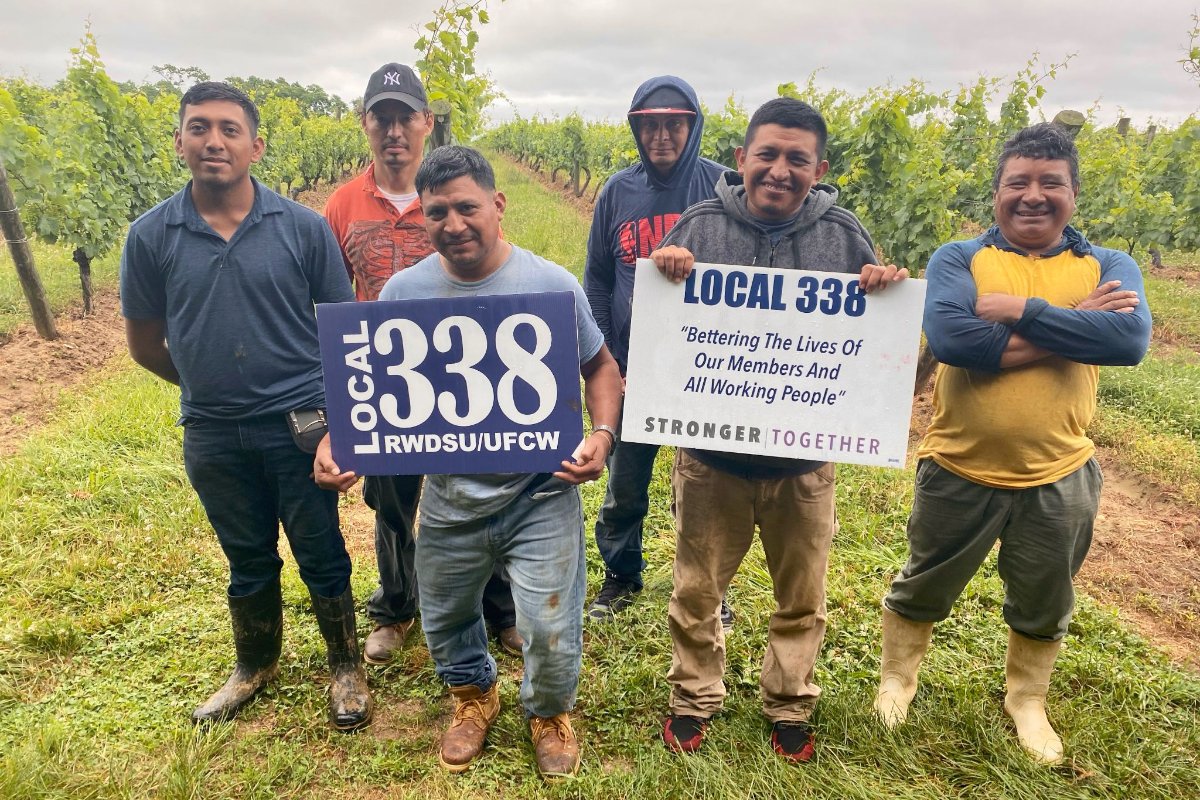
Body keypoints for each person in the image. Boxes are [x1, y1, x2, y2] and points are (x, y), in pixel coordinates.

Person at [315, 146, 623, 778]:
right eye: (437, 213)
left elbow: (600, 367)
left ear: (498, 205)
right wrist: (339, 442)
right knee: (447, 614)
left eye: (466, 207)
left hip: (542, 494)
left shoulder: (551, 284)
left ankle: (548, 710)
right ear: (423, 219)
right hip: (450, 497)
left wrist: (603, 434)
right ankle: (472, 695)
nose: (453, 223)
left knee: (549, 623)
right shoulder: (404, 291)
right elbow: (375, 385)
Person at [873, 122, 1151, 765]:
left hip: (1060, 470)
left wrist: (1020, 312)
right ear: (996, 193)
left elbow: (1129, 343)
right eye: (1017, 183)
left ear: (1074, 195)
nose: (1033, 195)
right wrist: (1082, 321)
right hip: (957, 464)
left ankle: (1027, 699)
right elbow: (955, 342)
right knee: (924, 581)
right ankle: (898, 678)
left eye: (1050, 183)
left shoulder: (1108, 265)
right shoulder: (958, 258)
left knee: (1045, 592)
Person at [648, 97, 907, 762]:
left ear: (818, 168)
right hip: (713, 462)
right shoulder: (700, 225)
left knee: (802, 597)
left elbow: (873, 348)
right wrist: (670, 272)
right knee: (697, 591)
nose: (780, 170)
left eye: (797, 159)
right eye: (767, 154)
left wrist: (883, 287)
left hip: (804, 468)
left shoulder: (844, 234)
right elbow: (663, 341)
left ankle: (790, 702)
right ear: (742, 159)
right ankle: (694, 697)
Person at [119, 82, 370, 731]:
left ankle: (346, 665)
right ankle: (255, 663)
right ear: (178, 142)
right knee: (246, 554)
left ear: (256, 145)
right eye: (198, 127)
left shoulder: (304, 230)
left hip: (299, 424)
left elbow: (345, 336)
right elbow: (146, 344)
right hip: (212, 433)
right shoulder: (151, 237)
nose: (213, 141)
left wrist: (335, 425)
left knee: (321, 548)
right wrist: (209, 389)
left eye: (230, 129)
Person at [323, 63, 521, 664]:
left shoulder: (456, 193)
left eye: (405, 117)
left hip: (471, 376)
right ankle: (396, 606)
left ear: (425, 121)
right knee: (392, 501)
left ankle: (500, 609)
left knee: (485, 492)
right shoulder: (342, 205)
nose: (393, 131)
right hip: (390, 386)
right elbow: (334, 305)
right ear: (365, 125)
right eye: (380, 118)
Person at [583, 76, 727, 622]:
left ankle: (711, 589)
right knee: (624, 485)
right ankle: (621, 576)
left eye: (674, 124)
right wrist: (604, 356)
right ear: (636, 129)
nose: (661, 136)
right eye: (650, 125)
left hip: (704, 372)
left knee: (707, 490)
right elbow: (597, 277)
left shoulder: (723, 187)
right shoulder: (618, 192)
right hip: (633, 370)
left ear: (692, 126)